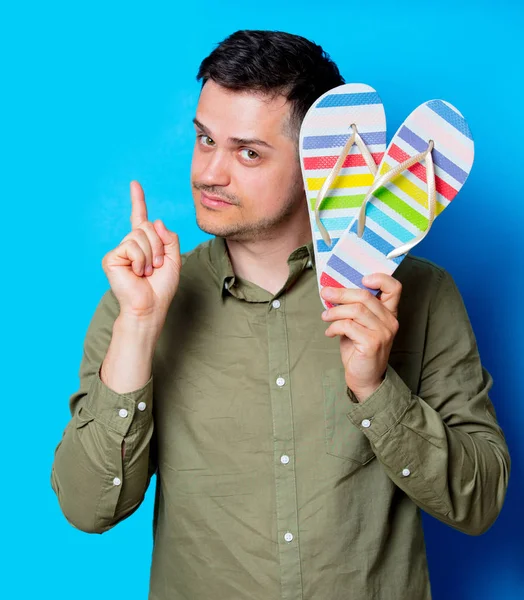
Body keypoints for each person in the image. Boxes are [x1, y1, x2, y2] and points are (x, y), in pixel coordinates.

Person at [51, 29, 510, 600]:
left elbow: (481, 502)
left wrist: (376, 390)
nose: (209, 173)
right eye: (204, 140)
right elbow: (86, 506)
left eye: (247, 152)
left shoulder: (423, 294)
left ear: (317, 165)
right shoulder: (138, 300)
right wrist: (139, 329)